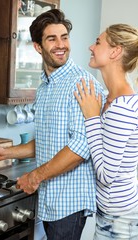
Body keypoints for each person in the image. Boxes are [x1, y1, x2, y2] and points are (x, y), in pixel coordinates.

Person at [0, 9, 105, 240]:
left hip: (69, 201)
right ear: (38, 46)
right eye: (52, 38)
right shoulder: (45, 87)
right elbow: (50, 140)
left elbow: (79, 148)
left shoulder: (82, 84)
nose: (61, 44)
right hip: (50, 198)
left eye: (64, 37)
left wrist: (35, 176)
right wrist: (6, 151)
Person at [74, 23, 138, 239]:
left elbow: (106, 175)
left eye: (98, 42)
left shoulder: (121, 108)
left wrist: (91, 117)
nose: (91, 47)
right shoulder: (113, 99)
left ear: (115, 51)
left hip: (118, 218)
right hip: (116, 213)